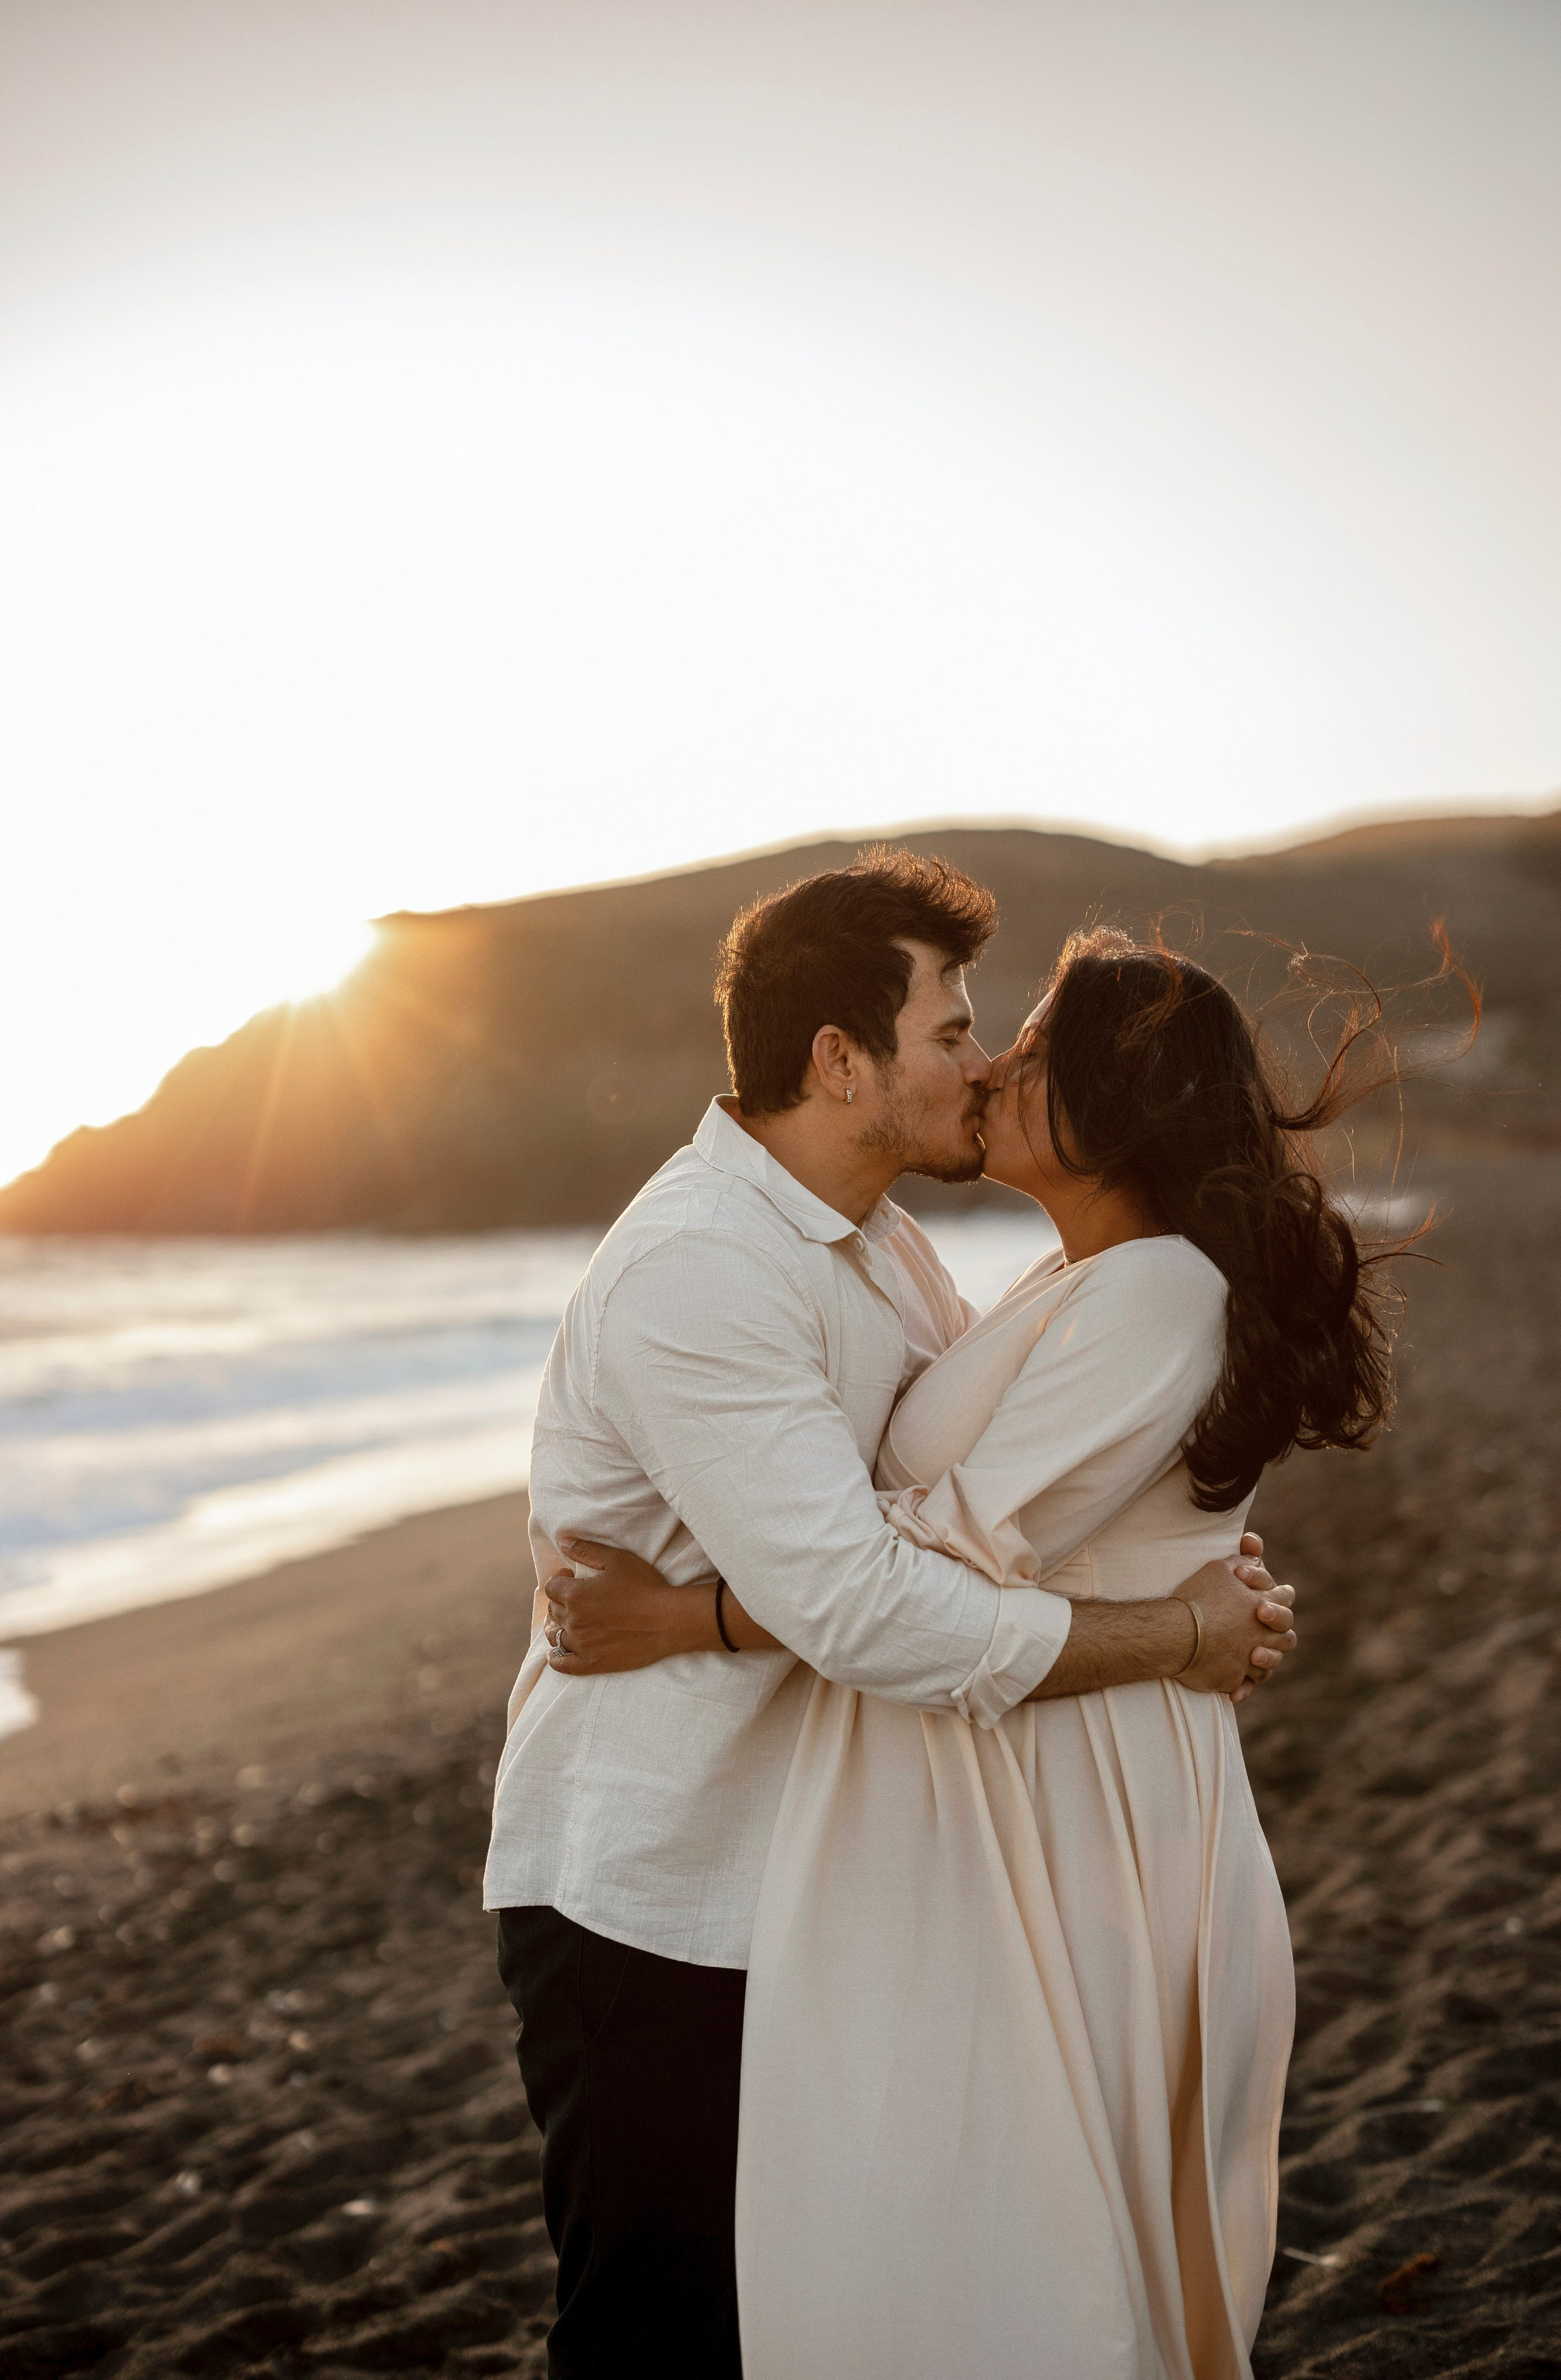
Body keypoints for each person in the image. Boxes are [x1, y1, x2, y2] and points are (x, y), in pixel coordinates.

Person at [485, 857, 1299, 2379]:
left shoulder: (875, 1243)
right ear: (838, 1060)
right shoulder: (701, 1271)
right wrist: (1173, 1640)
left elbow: (988, 1516)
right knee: (661, 2333)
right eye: (951, 1031)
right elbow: (868, 1601)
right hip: (662, 1892)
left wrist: (686, 1616)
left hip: (824, 1880)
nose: (981, 1060)